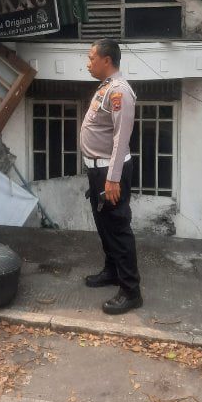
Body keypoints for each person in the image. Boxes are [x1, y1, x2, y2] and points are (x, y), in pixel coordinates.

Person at [79, 38, 142, 314]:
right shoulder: (106, 87)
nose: (88, 63)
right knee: (104, 225)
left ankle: (131, 291)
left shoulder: (119, 91)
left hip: (110, 171)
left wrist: (113, 178)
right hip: (98, 170)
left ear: (106, 60)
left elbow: (121, 137)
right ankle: (112, 271)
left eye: (91, 57)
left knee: (117, 227)